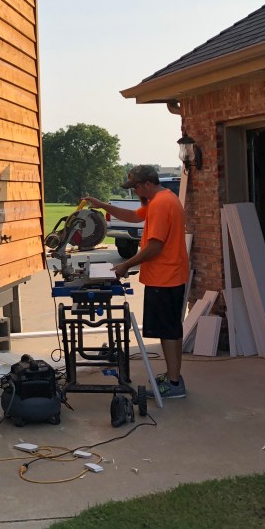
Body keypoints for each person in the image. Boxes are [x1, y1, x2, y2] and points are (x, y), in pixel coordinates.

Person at [84, 165, 190, 399]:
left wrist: (125, 265)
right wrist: (102, 205)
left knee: (169, 332)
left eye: (136, 188)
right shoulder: (161, 200)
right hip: (168, 276)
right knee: (170, 330)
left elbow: (155, 246)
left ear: (147, 184)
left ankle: (173, 384)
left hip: (166, 278)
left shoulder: (161, 204)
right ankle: (174, 376)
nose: (135, 192)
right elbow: (132, 216)